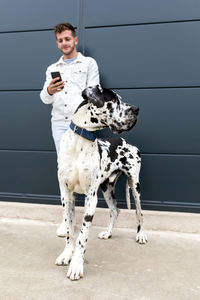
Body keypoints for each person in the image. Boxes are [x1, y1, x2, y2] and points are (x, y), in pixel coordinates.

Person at [40, 22, 100, 236]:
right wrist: (49, 89)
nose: (64, 43)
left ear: (75, 40)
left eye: (67, 39)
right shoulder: (52, 69)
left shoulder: (89, 63)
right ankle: (67, 219)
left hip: (82, 124)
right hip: (59, 123)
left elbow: (95, 92)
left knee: (85, 169)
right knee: (64, 171)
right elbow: (45, 99)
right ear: (57, 43)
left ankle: (87, 216)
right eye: (60, 40)